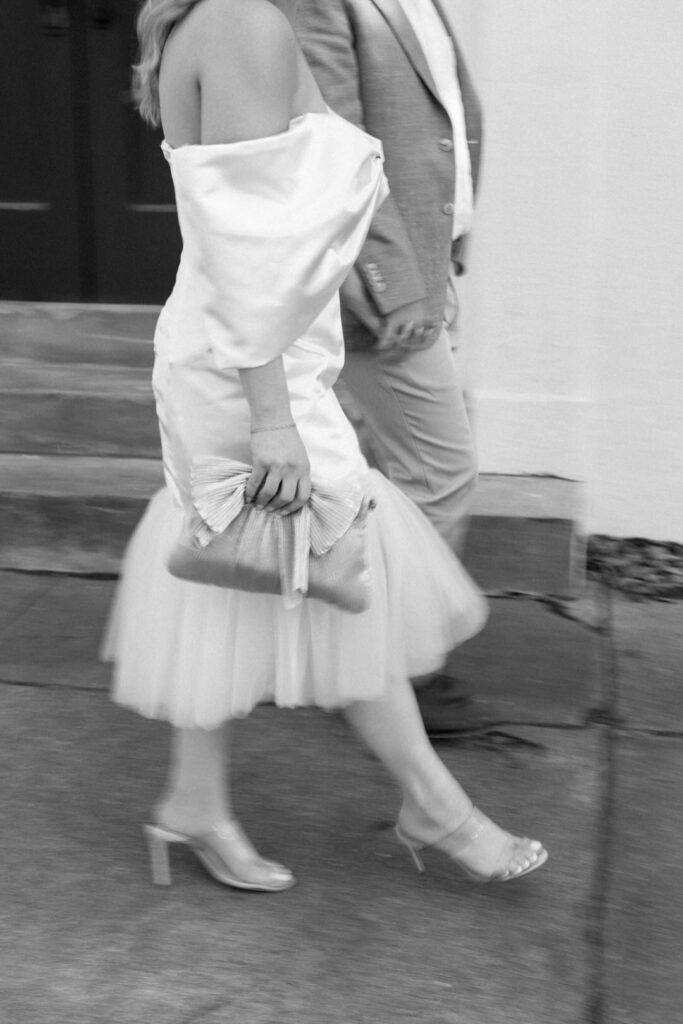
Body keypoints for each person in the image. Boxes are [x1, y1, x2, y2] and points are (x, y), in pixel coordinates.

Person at [103, 0, 547, 893]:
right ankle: (438, 808)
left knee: (274, 570)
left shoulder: (231, 17)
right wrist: (273, 417)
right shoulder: (242, 21)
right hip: (252, 365)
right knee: (342, 569)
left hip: (258, 349)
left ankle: (196, 803)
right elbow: (245, 247)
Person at [297, 0, 484, 735]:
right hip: (385, 286)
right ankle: (390, 672)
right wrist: (391, 280)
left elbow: (440, 125)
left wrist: (449, 242)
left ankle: (352, 653)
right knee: (439, 469)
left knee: (394, 470)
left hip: (427, 264)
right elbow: (332, 144)